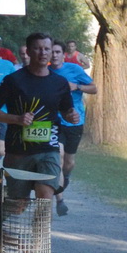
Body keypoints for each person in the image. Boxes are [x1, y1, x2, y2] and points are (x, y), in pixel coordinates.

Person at [0, 33, 77, 207]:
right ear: (29, 51)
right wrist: (16, 118)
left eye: (47, 49)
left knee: (44, 197)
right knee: (18, 205)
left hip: (48, 147)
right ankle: (3, 231)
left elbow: (67, 110)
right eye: (37, 48)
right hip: (18, 150)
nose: (43, 53)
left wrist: (71, 115)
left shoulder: (59, 82)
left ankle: (41, 234)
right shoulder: (14, 80)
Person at [50, 40, 96, 215]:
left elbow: (94, 88)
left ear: (63, 54)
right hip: (55, 122)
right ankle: (60, 200)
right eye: (52, 52)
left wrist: (77, 86)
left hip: (75, 121)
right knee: (58, 157)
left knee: (69, 163)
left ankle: (66, 176)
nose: (54, 55)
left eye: (57, 52)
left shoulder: (75, 70)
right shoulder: (46, 72)